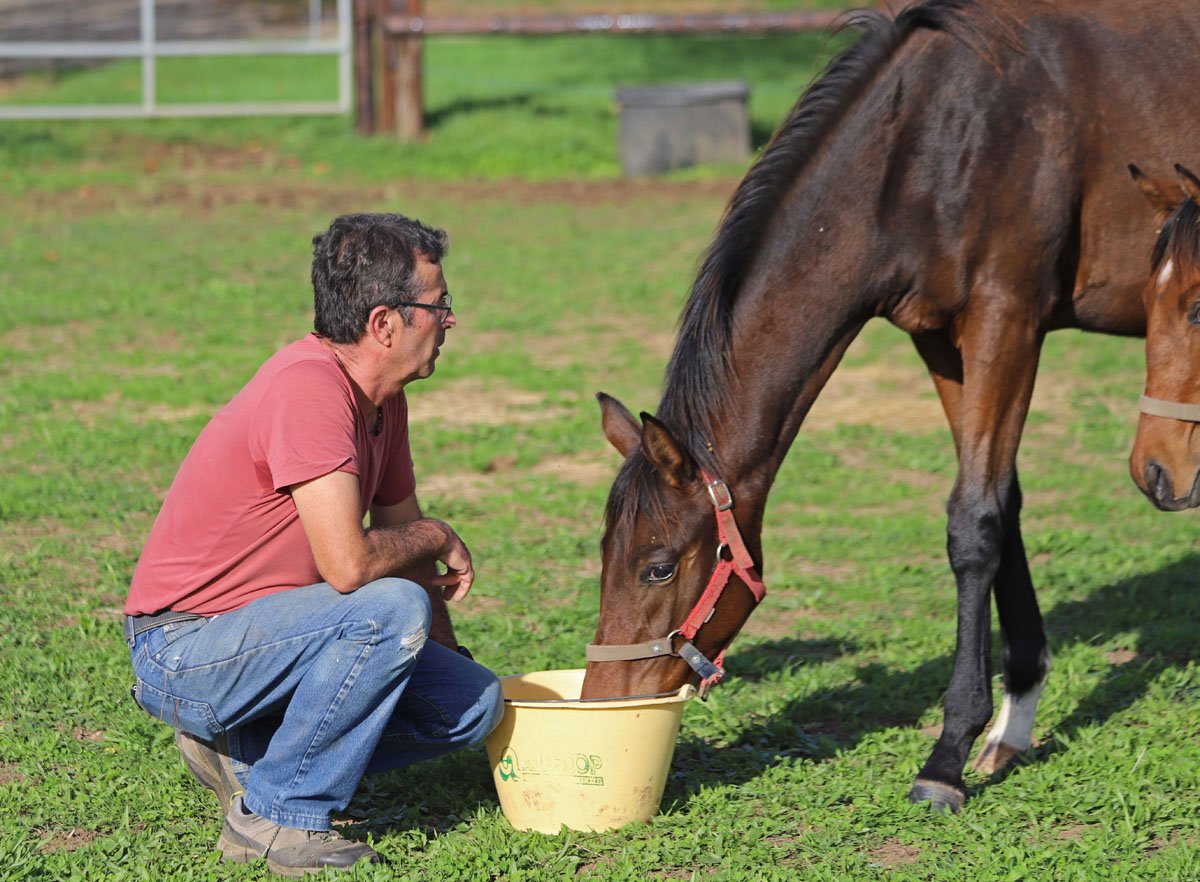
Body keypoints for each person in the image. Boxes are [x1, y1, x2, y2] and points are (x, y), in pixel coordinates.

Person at [123, 212, 503, 877]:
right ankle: (276, 816)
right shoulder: (310, 388)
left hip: (276, 641)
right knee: (386, 610)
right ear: (385, 323)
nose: (451, 321)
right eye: (438, 306)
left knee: (471, 704)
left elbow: (408, 550)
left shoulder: (384, 400)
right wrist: (440, 534)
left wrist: (443, 657)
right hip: (184, 650)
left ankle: (247, 751)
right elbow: (351, 568)